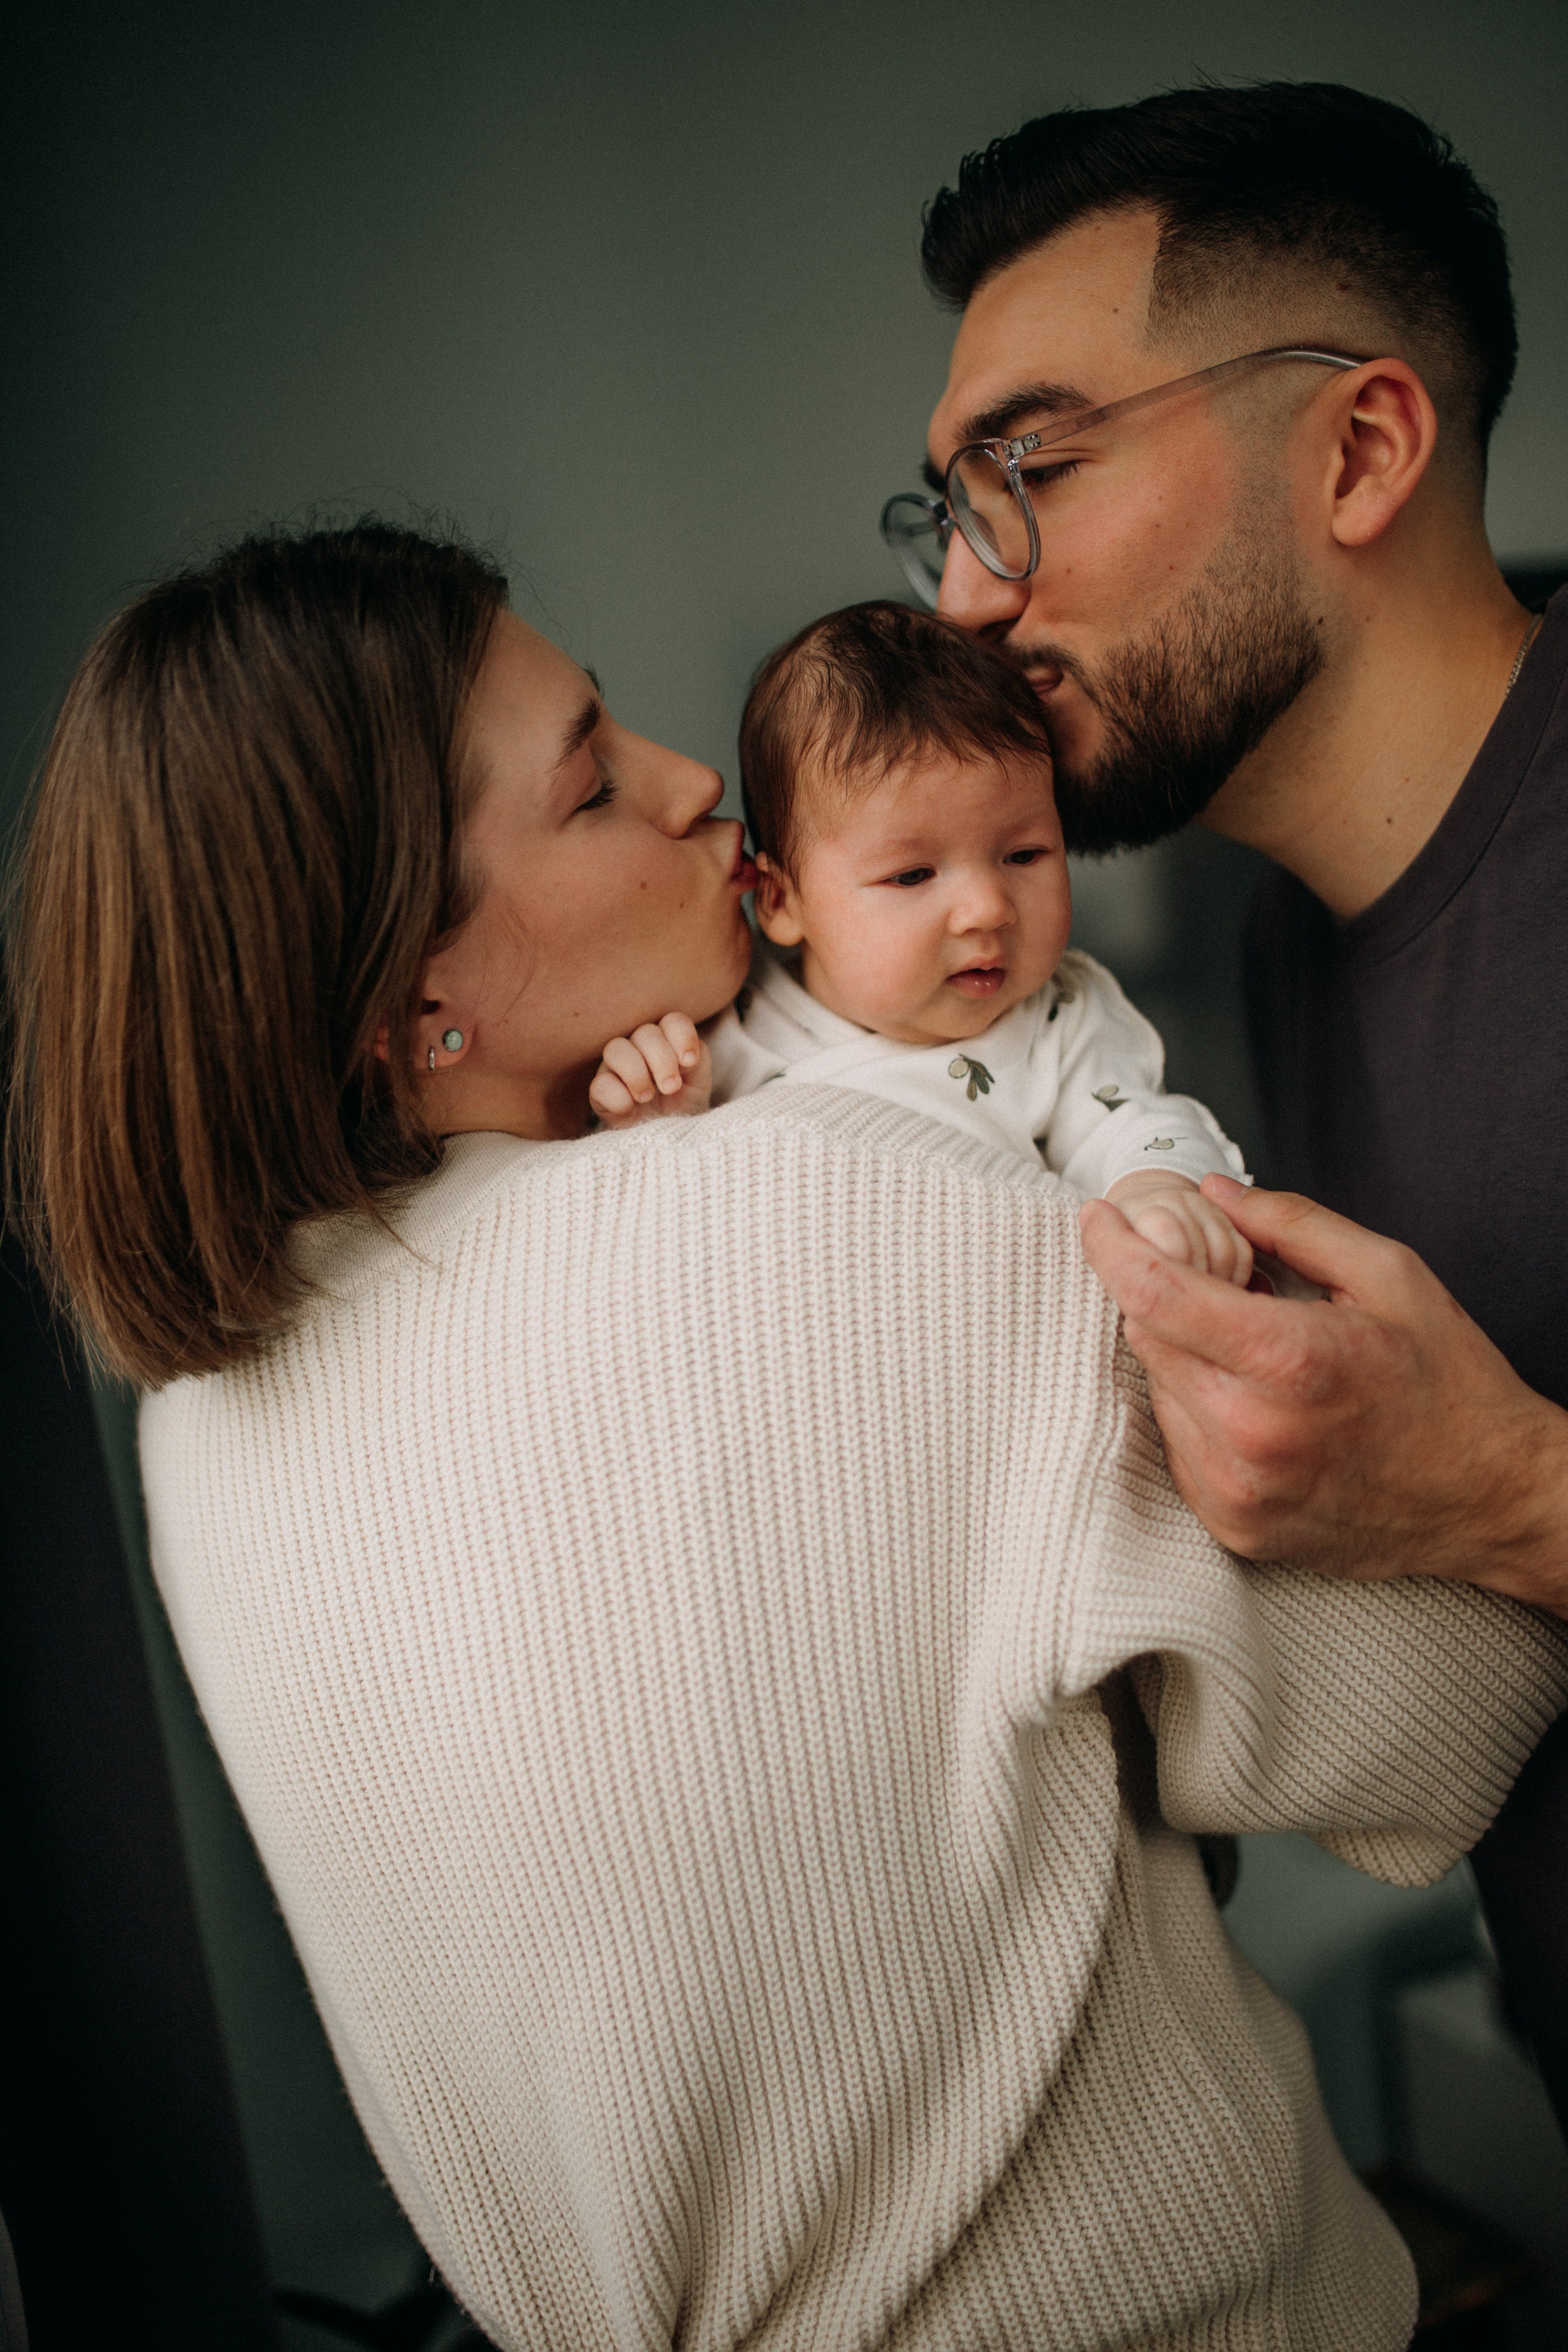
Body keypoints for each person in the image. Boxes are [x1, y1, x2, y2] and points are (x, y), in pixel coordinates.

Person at [10, 520, 1568, 2351]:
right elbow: (1449, 1706)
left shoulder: (203, 1425)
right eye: (593, 783)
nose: (696, 783)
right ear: (412, 995)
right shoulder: (834, 1214)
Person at [899, 77, 1568, 2130]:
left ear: (1360, 449)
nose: (965, 598)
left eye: (1032, 469)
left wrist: (1509, 1494)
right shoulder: (1280, 944)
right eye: (949, 508)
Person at [591, 599, 1252, 1284]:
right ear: (783, 902)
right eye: (912, 875)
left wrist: (1155, 1189)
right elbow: (673, 1224)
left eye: (1024, 855)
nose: (987, 910)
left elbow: (1135, 1123)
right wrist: (659, 1125)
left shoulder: (1057, 1020)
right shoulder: (727, 1033)